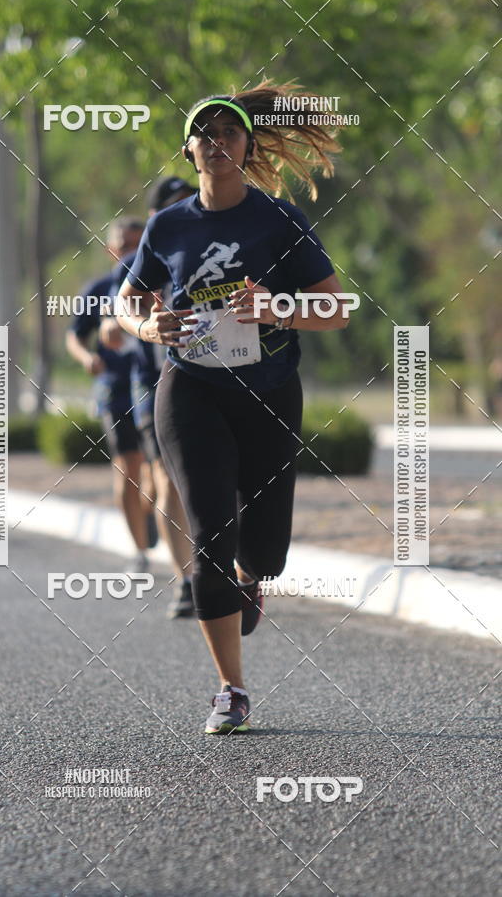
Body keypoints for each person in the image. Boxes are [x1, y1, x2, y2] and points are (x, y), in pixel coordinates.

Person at [115, 79, 349, 734]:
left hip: (269, 392)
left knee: (266, 550)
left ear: (246, 147)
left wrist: (280, 308)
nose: (216, 143)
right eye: (204, 134)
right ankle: (231, 689)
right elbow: (128, 302)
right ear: (188, 151)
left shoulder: (277, 220)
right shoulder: (168, 225)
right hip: (190, 392)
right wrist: (146, 328)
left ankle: (253, 577)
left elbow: (337, 309)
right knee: (209, 535)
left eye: (229, 133)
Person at [119, 176, 198, 619]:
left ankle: (228, 565)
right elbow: (117, 311)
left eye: (191, 200)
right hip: (155, 385)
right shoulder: (138, 259)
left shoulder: (216, 244)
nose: (187, 209)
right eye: (175, 204)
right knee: (167, 479)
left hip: (219, 378)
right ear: (156, 214)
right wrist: (125, 325)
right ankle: (186, 581)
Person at [65, 218, 155, 573]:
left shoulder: (158, 282)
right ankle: (139, 551)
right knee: (128, 469)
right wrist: (87, 356)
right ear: (111, 250)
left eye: (138, 243)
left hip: (152, 384)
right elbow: (75, 335)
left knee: (157, 473)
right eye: (124, 245)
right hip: (115, 390)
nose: (130, 251)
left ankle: (150, 511)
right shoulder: (99, 289)